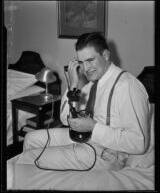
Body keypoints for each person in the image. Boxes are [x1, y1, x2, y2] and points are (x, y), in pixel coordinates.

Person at [16, 32, 151, 171]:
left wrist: (93, 127)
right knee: (30, 139)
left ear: (105, 55)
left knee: (31, 156)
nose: (85, 69)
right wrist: (73, 84)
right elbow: (64, 119)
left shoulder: (127, 86)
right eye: (81, 62)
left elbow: (139, 143)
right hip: (86, 139)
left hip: (107, 153)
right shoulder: (92, 85)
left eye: (90, 60)